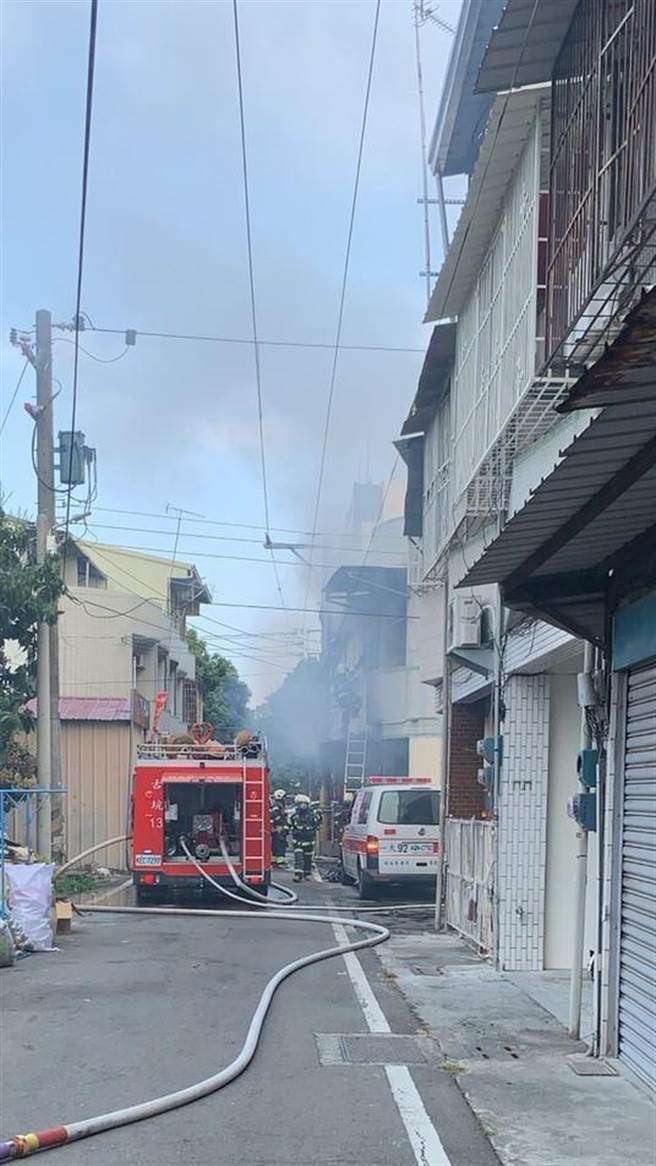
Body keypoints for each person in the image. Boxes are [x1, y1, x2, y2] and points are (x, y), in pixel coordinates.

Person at [289, 794, 322, 882]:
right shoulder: (294, 816)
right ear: (298, 804)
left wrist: (319, 816)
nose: (303, 806)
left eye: (305, 804)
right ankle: (298, 875)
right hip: (298, 841)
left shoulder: (313, 815)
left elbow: (318, 823)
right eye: (301, 804)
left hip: (309, 840)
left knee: (308, 858)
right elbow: (289, 824)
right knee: (298, 857)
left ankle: (307, 873)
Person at [270, 788, 288, 869]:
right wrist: (280, 824)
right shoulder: (277, 806)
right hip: (279, 828)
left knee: (276, 844)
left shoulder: (279, 805)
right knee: (280, 844)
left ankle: (274, 861)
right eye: (284, 797)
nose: (285, 799)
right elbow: (275, 815)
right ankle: (280, 862)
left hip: (278, 828)